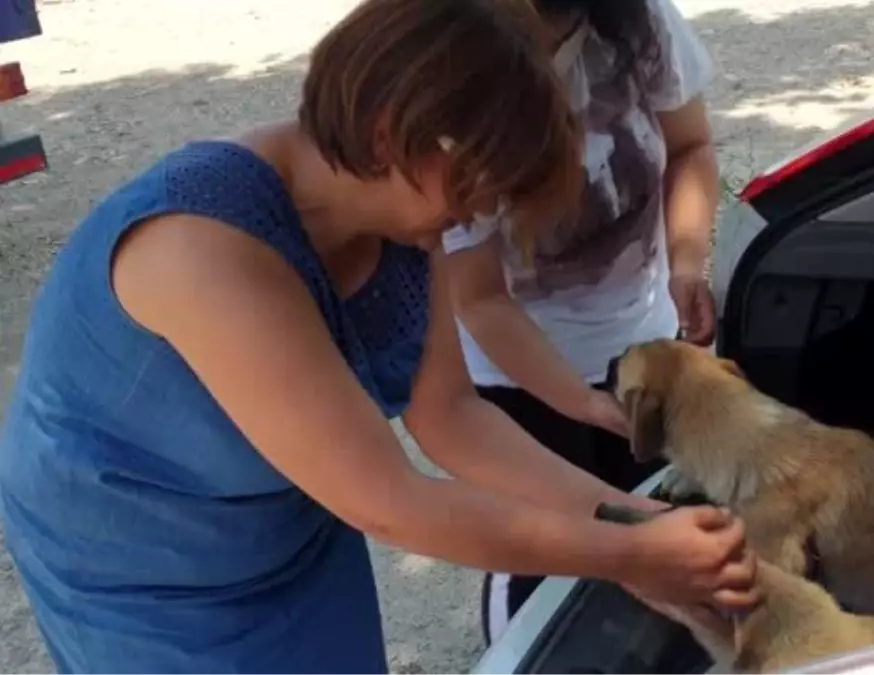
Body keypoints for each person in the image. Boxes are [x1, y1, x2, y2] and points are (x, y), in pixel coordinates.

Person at [0, 1, 759, 674]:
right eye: (475, 190)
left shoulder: (402, 217)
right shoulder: (205, 249)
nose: (476, 216)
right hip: (140, 566)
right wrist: (629, 554)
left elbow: (453, 419)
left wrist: (629, 523)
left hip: (282, 523)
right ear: (396, 135)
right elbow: (390, 502)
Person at [441, 0, 722, 643]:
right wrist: (580, 402)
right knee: (546, 577)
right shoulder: (461, 72)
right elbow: (479, 298)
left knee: (660, 552)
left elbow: (691, 146)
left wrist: (685, 264)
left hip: (647, 348)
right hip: (520, 382)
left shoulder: (638, 19)